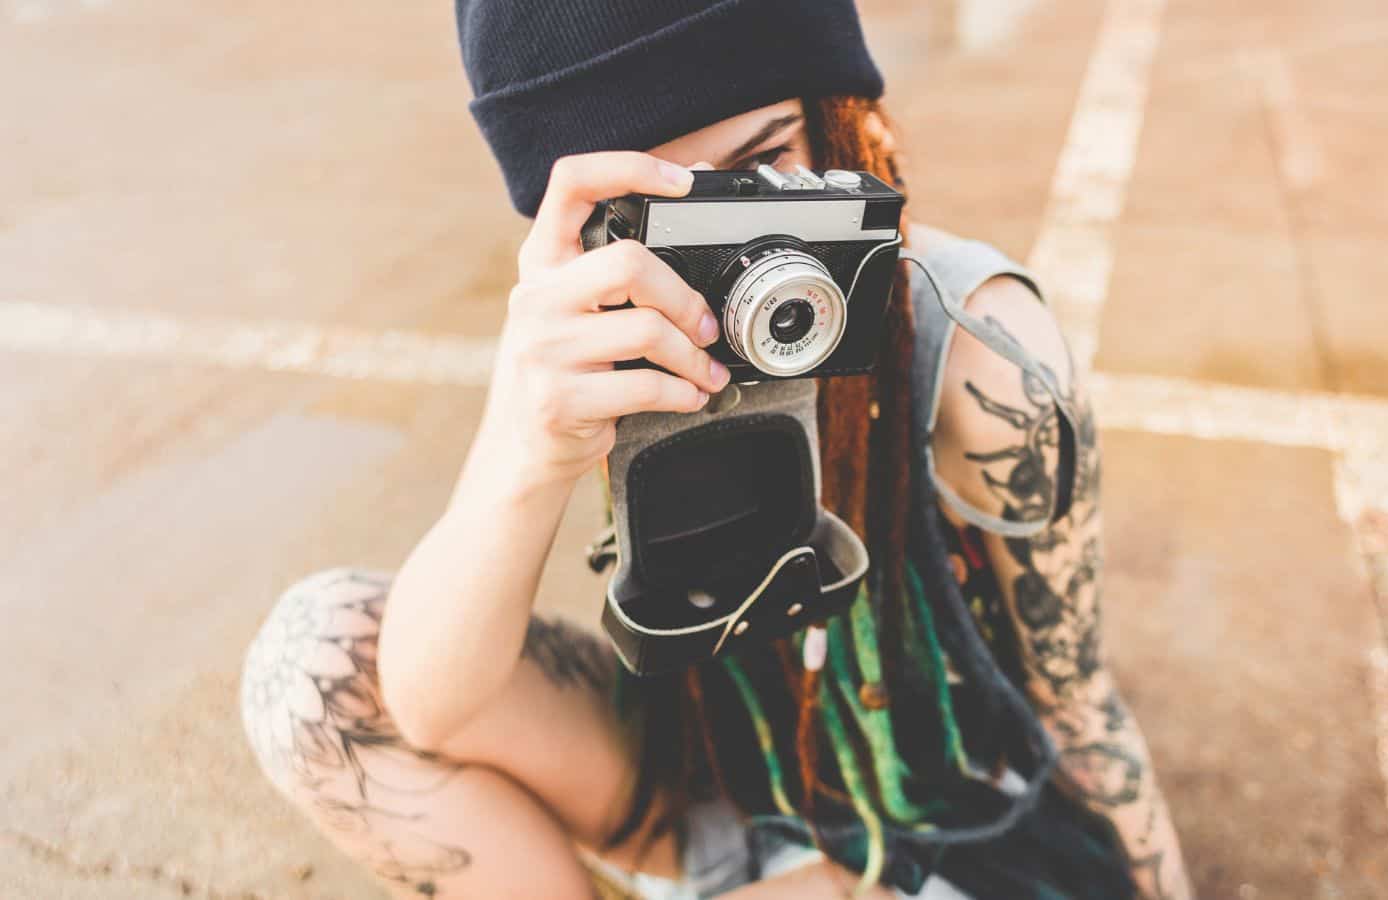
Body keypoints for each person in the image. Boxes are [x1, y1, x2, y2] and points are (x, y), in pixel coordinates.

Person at [239, 2, 1192, 897]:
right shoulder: (595, 321)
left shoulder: (980, 353)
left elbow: (1076, 699)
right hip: (704, 773)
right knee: (310, 676)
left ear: (846, 126)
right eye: (648, 207)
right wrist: (521, 450)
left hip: (933, 827)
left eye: (764, 162)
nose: (724, 250)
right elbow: (430, 708)